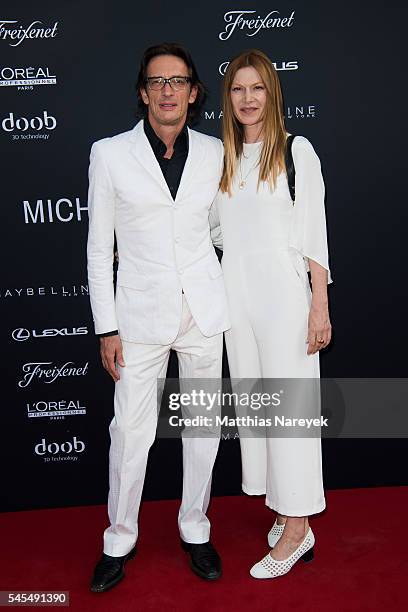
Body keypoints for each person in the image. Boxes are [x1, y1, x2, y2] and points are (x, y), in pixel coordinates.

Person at [87, 42, 230, 592]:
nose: (168, 90)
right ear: (144, 92)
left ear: (194, 94)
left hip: (203, 313)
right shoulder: (110, 153)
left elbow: (220, 231)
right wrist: (106, 326)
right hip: (138, 317)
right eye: (157, 81)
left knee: (203, 428)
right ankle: (118, 538)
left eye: (178, 81)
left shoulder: (218, 153)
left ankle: (196, 528)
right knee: (130, 432)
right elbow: (100, 250)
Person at [211, 49, 333, 579]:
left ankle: (299, 530)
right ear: (227, 98)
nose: (247, 99)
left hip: (286, 298)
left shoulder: (295, 151)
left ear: (273, 93)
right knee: (260, 410)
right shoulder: (220, 159)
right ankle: (285, 511)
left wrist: (318, 306)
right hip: (238, 301)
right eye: (238, 89)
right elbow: (214, 233)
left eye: (257, 88)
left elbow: (314, 233)